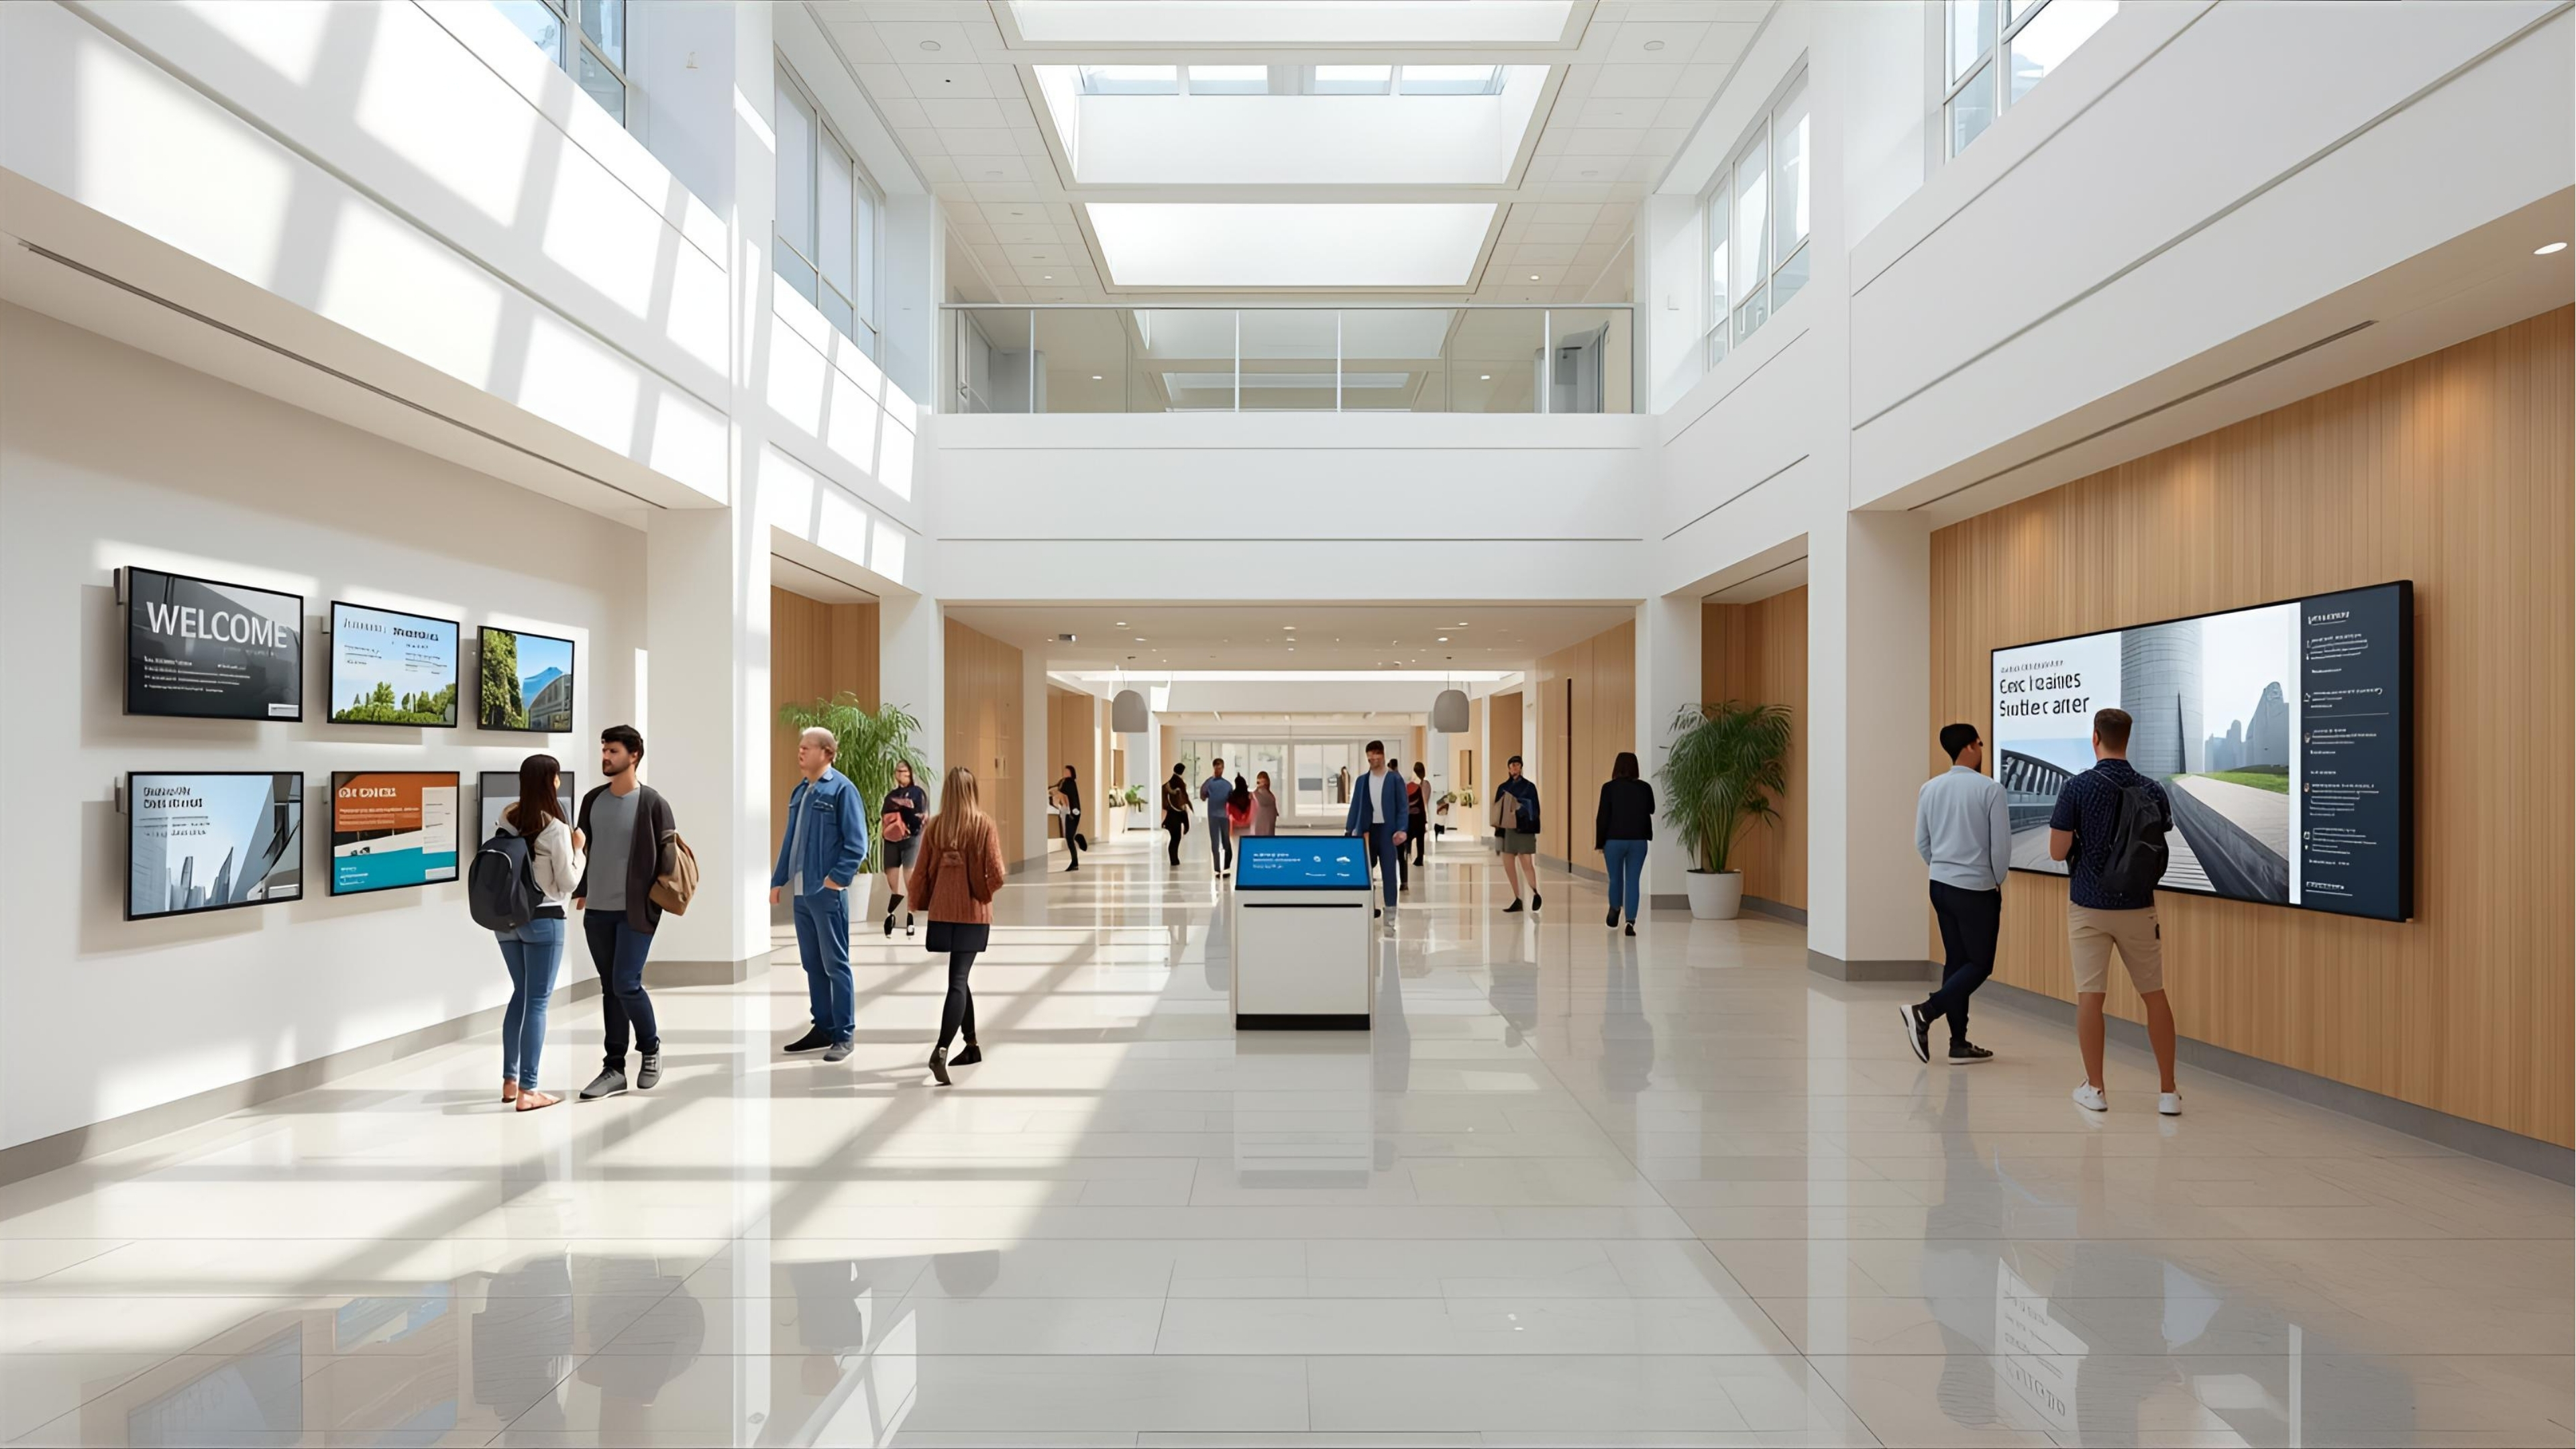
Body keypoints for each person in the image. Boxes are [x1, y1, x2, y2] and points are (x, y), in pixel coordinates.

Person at [2049, 707, 2182, 1116]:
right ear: (2129, 739)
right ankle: (2168, 1093)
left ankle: (2096, 1089)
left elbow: (2056, 852)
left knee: (2091, 998)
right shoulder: (2152, 788)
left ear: (2095, 738)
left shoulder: (2076, 787)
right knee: (2154, 995)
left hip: (2088, 906)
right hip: (2139, 906)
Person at [572, 724, 677, 1101]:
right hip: (597, 910)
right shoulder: (591, 800)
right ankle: (613, 1068)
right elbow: (584, 849)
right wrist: (583, 890)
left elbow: (669, 859)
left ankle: (650, 1048)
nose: (605, 757)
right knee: (609, 988)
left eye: (613, 751)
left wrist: (653, 899)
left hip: (636, 911)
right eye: (603, 750)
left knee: (626, 982)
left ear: (634, 756)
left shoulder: (653, 803)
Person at [1904, 723, 2010, 1067]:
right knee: (1980, 965)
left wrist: (1941, 868)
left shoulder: (1930, 788)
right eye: (1980, 743)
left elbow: (1922, 841)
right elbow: (2001, 850)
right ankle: (1926, 1011)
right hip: (1976, 889)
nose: (1982, 749)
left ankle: (1959, 1043)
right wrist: (1995, 881)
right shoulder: (1990, 790)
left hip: (1941, 886)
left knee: (1957, 961)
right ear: (1969, 747)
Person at [771, 726, 869, 1064]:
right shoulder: (801, 791)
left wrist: (835, 881)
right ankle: (823, 1027)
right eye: (799, 747)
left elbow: (857, 843)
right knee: (812, 964)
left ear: (827, 752)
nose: (800, 753)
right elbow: (790, 841)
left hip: (826, 893)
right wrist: (778, 880)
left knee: (835, 964)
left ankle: (844, 1034)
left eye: (807, 748)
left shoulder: (842, 790)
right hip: (801, 893)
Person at [494, 753, 584, 1112]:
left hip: (505, 921)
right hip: (544, 919)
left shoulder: (507, 817)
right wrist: (579, 851)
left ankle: (510, 1080)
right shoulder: (557, 829)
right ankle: (530, 1091)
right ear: (553, 781)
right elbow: (569, 882)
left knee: (521, 993)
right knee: (538, 1001)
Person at [911, 765, 1006, 1086]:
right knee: (959, 979)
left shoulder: (935, 826)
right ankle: (941, 1048)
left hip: (942, 914)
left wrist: (918, 905)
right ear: (972, 791)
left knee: (959, 978)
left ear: (947, 793)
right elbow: (998, 874)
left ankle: (972, 1045)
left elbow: (920, 872)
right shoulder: (983, 825)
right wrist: (981, 894)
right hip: (972, 915)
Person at [1343, 739, 1407, 932]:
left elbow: (1403, 807)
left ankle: (1390, 917)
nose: (1373, 758)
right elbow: (1356, 806)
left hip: (1388, 832)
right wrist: (1349, 830)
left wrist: (1402, 829)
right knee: (1365, 874)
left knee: (1389, 874)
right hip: (1367, 831)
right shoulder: (1362, 781)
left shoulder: (1395, 779)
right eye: (1370, 754)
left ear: (1383, 755)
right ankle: (1369, 909)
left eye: (1376, 754)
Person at [1595, 751, 1654, 936]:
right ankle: (1630, 922)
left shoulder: (1609, 788)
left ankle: (1614, 909)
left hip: (1614, 841)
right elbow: (1651, 809)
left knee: (1616, 878)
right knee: (1633, 881)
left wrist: (1600, 842)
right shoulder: (1645, 788)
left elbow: (1602, 817)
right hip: (1638, 841)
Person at [880, 760, 928, 938]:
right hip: (892, 839)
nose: (901, 774)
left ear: (911, 773)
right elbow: (886, 813)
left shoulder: (918, 793)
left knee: (909, 878)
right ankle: (891, 915)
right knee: (893, 882)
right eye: (898, 771)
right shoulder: (891, 794)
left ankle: (910, 918)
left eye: (904, 771)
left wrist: (903, 809)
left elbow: (918, 815)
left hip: (910, 839)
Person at [1493, 755, 1542, 913]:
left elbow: (1535, 810)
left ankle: (1535, 892)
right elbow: (1498, 814)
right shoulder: (1503, 788)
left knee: (1526, 862)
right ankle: (1517, 898)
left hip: (1524, 829)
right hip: (1508, 831)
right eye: (1512, 765)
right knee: (1509, 864)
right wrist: (1498, 837)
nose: (1515, 768)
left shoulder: (1529, 787)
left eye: (1517, 765)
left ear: (1521, 768)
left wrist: (1520, 809)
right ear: (1508, 768)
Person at [1200, 759, 1234, 877]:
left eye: (1220, 768)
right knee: (1215, 843)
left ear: (1223, 768)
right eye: (1216, 768)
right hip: (1213, 816)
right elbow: (1203, 796)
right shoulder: (1209, 783)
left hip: (1224, 816)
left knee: (1226, 842)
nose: (1218, 770)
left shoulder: (1228, 785)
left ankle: (1226, 868)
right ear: (1213, 768)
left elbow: (1232, 800)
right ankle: (1217, 869)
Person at [1053, 764, 1083, 873]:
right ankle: (1074, 862)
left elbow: (1069, 795)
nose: (1065, 773)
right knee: (1069, 837)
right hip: (1072, 812)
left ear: (1071, 773)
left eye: (1067, 771)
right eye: (1064, 771)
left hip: (1072, 813)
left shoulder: (1068, 783)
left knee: (1069, 838)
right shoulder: (1066, 782)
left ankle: (1075, 863)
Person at [1161, 763, 1191, 867]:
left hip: (1171, 815)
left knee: (1174, 838)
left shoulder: (1170, 783)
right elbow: (1181, 803)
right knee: (1176, 838)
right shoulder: (1179, 783)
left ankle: (1174, 858)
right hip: (1177, 815)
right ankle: (1174, 859)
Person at [1408, 761, 1432, 870]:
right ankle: (1419, 857)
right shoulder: (1424, 784)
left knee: (1414, 837)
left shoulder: (1420, 785)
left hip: (1418, 814)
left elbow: (1423, 800)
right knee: (1420, 838)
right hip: (1421, 814)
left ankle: (1415, 856)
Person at [1249, 770, 1280, 837]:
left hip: (1258, 826)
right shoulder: (1271, 796)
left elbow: (1262, 801)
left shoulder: (1256, 794)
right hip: (1266, 827)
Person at [1226, 771, 1252, 838]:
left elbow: (1228, 813)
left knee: (1236, 847)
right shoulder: (1250, 797)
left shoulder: (1231, 798)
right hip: (1248, 828)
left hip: (1235, 829)